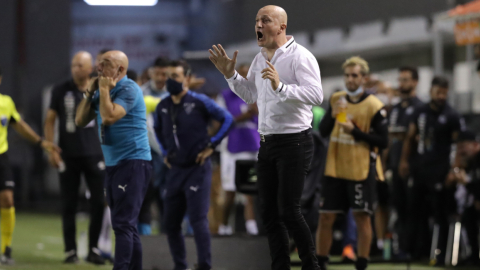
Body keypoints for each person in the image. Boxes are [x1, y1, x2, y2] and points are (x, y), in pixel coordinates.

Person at [209, 5, 323, 269]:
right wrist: (231, 75)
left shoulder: (300, 56)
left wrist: (281, 86)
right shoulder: (261, 58)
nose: (258, 24)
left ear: (282, 27)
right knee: (269, 214)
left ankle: (311, 266)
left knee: (289, 211)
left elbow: (317, 96)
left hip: (295, 141)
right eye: (257, 20)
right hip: (267, 142)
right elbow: (251, 95)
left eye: (265, 20)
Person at [75, 50, 152, 270]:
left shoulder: (129, 88)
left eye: (105, 64)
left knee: (123, 224)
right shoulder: (103, 90)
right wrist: (89, 94)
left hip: (133, 162)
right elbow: (80, 120)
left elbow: (108, 116)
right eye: (99, 64)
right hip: (114, 164)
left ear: (120, 69)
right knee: (127, 225)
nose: (98, 68)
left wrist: (102, 91)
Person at [154, 60, 233, 270]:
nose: (170, 81)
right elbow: (157, 130)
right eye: (168, 76)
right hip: (175, 170)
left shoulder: (200, 101)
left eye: (175, 77)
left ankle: (204, 265)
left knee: (198, 221)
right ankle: (180, 265)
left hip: (197, 168)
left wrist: (212, 145)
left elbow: (227, 119)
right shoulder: (163, 106)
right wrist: (164, 152)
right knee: (170, 223)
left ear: (187, 79)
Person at [316, 57, 388, 270]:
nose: (350, 80)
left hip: (361, 170)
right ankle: (320, 262)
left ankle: (362, 263)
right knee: (326, 216)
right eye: (347, 75)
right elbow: (323, 131)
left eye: (354, 75)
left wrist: (354, 132)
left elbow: (383, 141)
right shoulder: (337, 99)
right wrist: (334, 112)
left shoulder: (373, 106)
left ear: (363, 78)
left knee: (361, 217)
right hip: (335, 168)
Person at [44, 51, 106, 264]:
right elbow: (50, 120)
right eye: (73, 65)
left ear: (90, 68)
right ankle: (70, 250)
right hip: (68, 154)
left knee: (99, 202)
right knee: (68, 204)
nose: (76, 69)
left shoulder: (100, 88)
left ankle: (94, 249)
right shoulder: (61, 89)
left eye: (80, 65)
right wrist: (51, 149)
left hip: (95, 153)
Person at [399, 76, 464, 265]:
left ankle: (442, 254)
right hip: (419, 169)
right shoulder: (420, 112)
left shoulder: (452, 115)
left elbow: (458, 145)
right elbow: (410, 138)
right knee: (414, 211)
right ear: (431, 91)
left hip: (441, 172)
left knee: (440, 213)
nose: (441, 96)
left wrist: (454, 169)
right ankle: (413, 251)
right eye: (438, 92)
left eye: (444, 92)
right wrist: (404, 161)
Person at [0, 66, 60, 264]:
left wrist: (40, 141)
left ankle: (5, 249)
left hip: (2, 157)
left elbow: (19, 125)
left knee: (8, 200)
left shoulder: (6, 102)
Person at [382, 67, 423, 256]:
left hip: (413, 166)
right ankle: (401, 248)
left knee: (413, 207)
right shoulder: (396, 109)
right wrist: (383, 162)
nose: (402, 84)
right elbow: (389, 138)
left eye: (406, 80)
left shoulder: (421, 108)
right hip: (394, 165)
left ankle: (415, 249)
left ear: (415, 82)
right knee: (398, 206)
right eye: (400, 80)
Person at [216, 63, 259, 236]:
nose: (245, 79)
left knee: (250, 191)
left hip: (253, 149)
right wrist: (245, 116)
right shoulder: (225, 96)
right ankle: (223, 226)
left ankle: (252, 228)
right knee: (230, 192)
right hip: (232, 149)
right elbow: (220, 123)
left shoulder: (258, 96)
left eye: (248, 75)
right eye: (241, 75)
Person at [446, 130, 480, 266]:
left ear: (475, 145)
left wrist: (467, 183)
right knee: (468, 215)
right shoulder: (470, 161)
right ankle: (474, 256)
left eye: (463, 147)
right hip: (474, 204)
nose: (460, 151)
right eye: (458, 148)